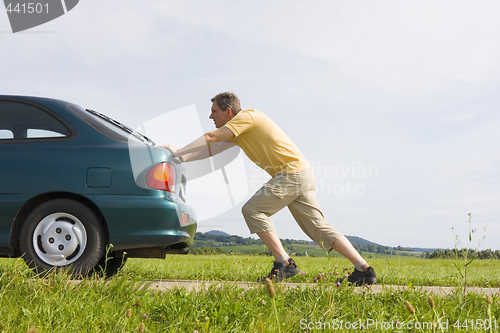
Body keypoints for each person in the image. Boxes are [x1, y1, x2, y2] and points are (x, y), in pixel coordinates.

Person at [161, 92, 376, 285]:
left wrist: (177, 150)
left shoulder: (248, 117)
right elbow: (211, 148)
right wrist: (180, 157)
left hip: (291, 174)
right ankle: (364, 270)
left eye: (214, 111)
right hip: (301, 174)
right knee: (318, 227)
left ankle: (284, 263)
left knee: (253, 210)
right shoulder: (239, 131)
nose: (211, 117)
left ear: (229, 111)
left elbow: (211, 137)